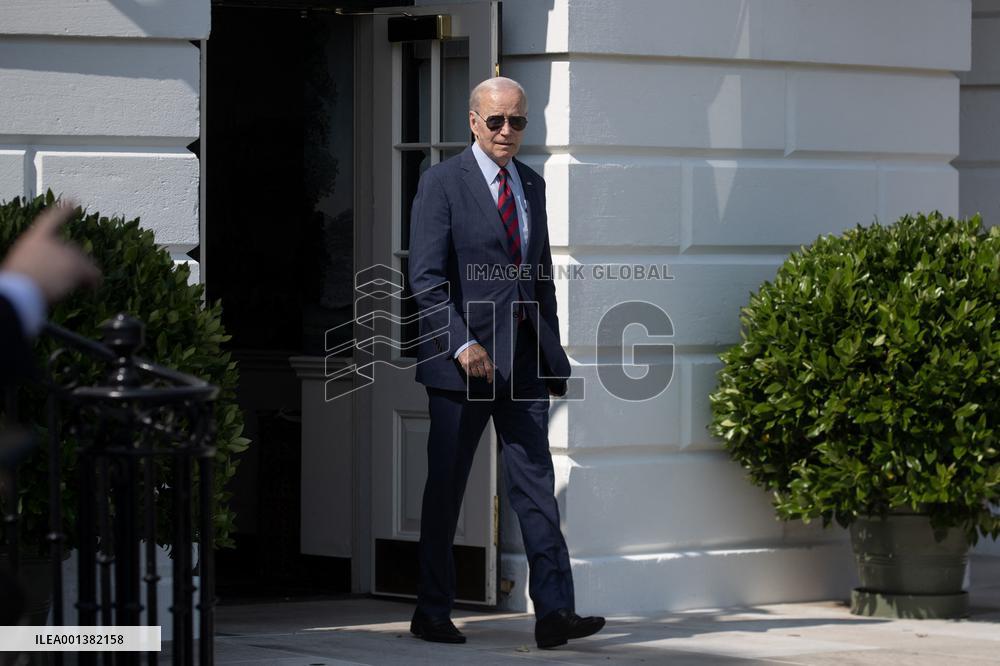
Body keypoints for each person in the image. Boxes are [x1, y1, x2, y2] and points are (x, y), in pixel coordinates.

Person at [407, 77, 605, 650]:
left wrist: (553, 356)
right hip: (459, 367)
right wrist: (462, 344)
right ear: (472, 121)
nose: (506, 131)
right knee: (446, 489)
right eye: (495, 121)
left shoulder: (533, 185)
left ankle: (555, 613)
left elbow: (540, 279)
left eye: (516, 121)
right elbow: (424, 278)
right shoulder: (441, 184)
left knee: (536, 490)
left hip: (521, 368)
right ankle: (431, 609)